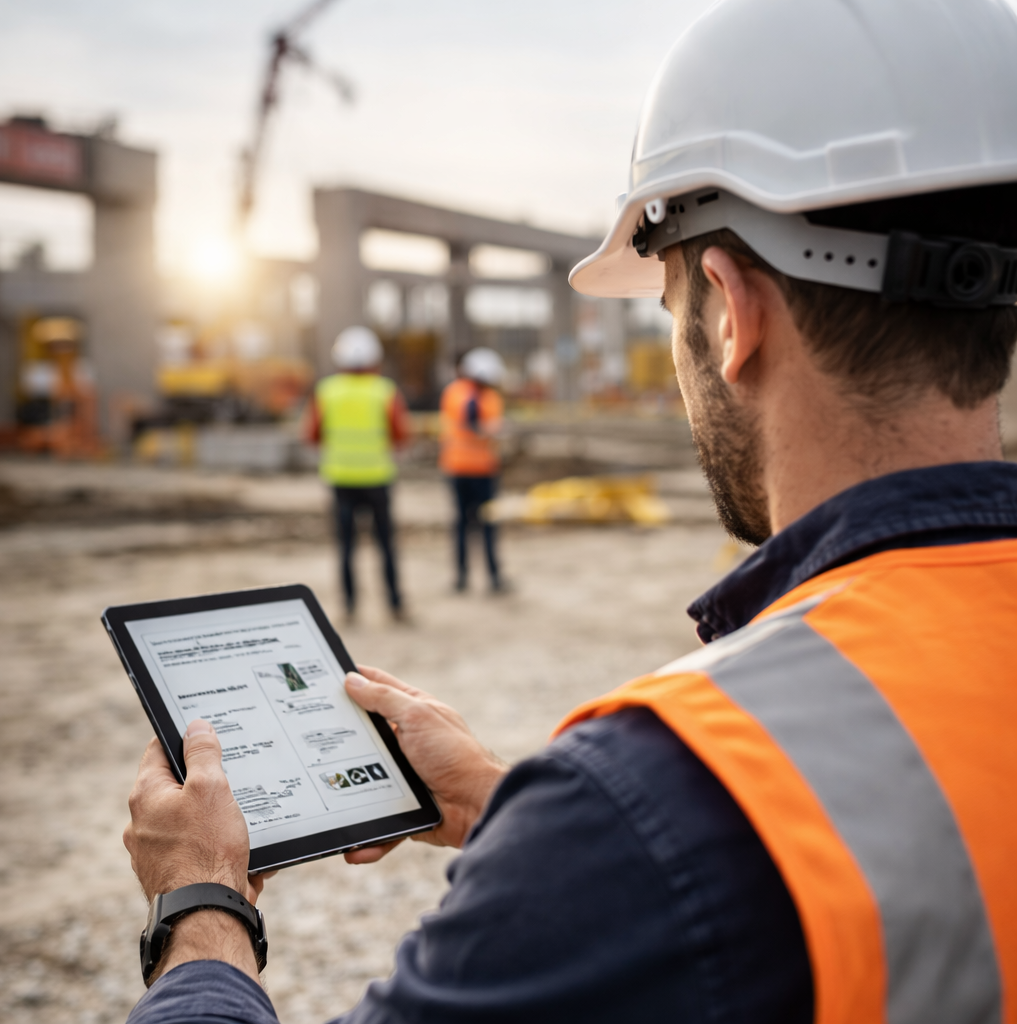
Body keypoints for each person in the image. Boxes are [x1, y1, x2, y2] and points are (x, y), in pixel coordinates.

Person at [123, 0, 1017, 1021]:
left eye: (670, 303)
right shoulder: (668, 816)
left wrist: (198, 905)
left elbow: (703, 865)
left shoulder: (657, 797)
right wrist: (502, 808)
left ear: (727, 311)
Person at [306, 326, 410, 622]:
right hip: (378, 478)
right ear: (375, 359)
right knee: (386, 545)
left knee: (346, 547)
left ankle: (350, 607)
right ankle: (395, 604)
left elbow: (311, 435)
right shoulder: (384, 390)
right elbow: (401, 435)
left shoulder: (326, 391)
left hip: (340, 479)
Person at [438, 347, 507, 592]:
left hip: (455, 467)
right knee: (487, 524)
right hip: (482, 470)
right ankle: (494, 577)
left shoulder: (451, 393)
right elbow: (482, 427)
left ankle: (460, 578)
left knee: (461, 525)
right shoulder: (488, 398)